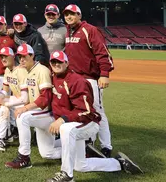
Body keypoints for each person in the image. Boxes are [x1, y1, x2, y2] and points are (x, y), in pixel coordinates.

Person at [25, 51, 143, 180]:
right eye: (53, 62)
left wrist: (62, 119)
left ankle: (67, 175)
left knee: (66, 129)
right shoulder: (52, 78)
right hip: (73, 123)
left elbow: (86, 112)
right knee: (80, 165)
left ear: (67, 63)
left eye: (60, 61)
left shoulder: (77, 81)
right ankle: (119, 163)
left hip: (88, 122)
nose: (56, 64)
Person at [63, 4, 114, 157]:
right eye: (66, 15)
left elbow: (102, 53)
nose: (68, 17)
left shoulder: (90, 30)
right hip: (74, 79)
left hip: (90, 78)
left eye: (72, 14)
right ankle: (89, 141)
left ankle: (106, 146)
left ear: (79, 15)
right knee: (81, 111)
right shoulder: (68, 31)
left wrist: (104, 73)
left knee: (98, 111)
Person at [5, 43, 58, 169]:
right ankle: (78, 148)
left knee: (22, 117)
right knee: (47, 153)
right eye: (19, 57)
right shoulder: (27, 71)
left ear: (32, 55)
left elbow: (45, 99)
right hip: (39, 113)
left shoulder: (42, 70)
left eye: (24, 56)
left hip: (47, 113)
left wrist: (25, 108)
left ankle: (24, 158)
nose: (21, 59)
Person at [0, 47, 28, 152]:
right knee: (1, 103)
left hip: (27, 102)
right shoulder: (7, 70)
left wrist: (5, 101)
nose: (3, 59)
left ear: (13, 56)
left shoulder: (21, 71)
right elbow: (5, 89)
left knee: (5, 106)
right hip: (17, 99)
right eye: (2, 57)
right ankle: (8, 133)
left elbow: (25, 98)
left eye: (6, 56)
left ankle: (4, 135)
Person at [0, 16, 16, 89]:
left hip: (6, 75)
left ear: (5, 25)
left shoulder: (12, 37)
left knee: (5, 98)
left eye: (1, 24)